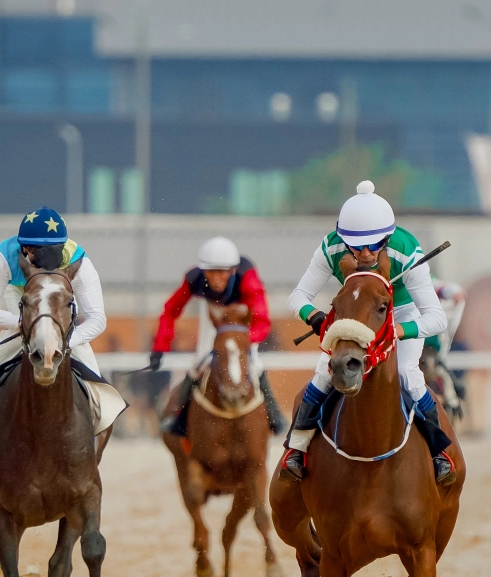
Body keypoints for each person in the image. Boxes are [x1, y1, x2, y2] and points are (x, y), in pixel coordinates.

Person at [282, 180, 452, 483]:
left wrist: (398, 331)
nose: (363, 253)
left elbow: (437, 318)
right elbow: (298, 297)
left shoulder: (406, 251)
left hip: (401, 312)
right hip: (356, 314)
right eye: (355, 245)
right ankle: (295, 448)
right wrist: (316, 317)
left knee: (408, 375)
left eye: (373, 245)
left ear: (387, 238)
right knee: (324, 371)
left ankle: (439, 453)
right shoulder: (330, 248)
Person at [0, 206, 122, 433]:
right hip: (22, 295)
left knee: (83, 352)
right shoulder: (2, 258)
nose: (46, 263)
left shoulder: (79, 262)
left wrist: (66, 342)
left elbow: (97, 319)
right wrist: (19, 324)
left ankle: (97, 404)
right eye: (39, 255)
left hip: (59, 299)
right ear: (24, 248)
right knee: (15, 338)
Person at [149, 236, 286, 436]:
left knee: (255, 365)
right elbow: (170, 310)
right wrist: (160, 347)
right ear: (203, 270)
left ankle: (275, 415)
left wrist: (240, 342)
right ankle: (180, 418)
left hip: (241, 321)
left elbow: (262, 320)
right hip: (213, 317)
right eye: (211, 272)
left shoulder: (248, 278)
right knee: (198, 365)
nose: (216, 279)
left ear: (232, 270)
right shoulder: (193, 279)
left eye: (222, 272)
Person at [421, 279, 467, 418]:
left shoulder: (423, 279)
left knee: (437, 373)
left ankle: (447, 405)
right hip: (401, 346)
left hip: (429, 350)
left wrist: (453, 292)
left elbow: (444, 287)